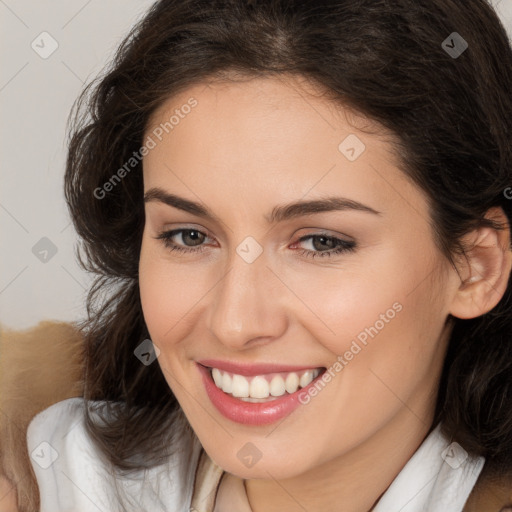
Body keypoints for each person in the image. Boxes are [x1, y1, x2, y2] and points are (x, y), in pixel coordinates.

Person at [7, 0, 512, 510]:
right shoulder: (53, 480)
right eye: (188, 236)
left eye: (320, 242)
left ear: (475, 268)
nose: (235, 322)